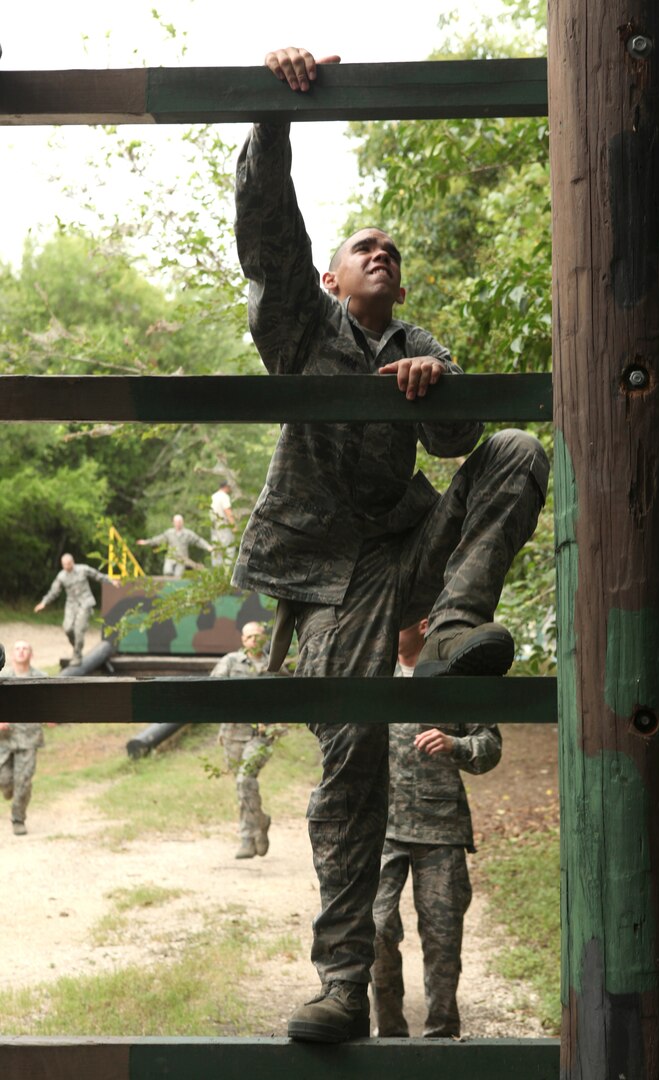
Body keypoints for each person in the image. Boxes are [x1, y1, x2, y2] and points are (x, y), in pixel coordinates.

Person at [230, 46, 549, 1042]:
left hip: (407, 554)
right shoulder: (302, 325)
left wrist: (434, 386)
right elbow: (267, 233)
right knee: (350, 767)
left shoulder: (416, 346)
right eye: (365, 246)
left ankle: (458, 620)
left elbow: (463, 447)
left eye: (393, 251)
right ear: (332, 274)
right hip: (327, 584)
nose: (383, 254)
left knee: (515, 446)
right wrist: (274, 110)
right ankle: (340, 982)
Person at [370, 622, 502, 1038]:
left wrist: (455, 744)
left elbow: (490, 746)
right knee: (375, 930)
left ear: (424, 625)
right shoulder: (373, 675)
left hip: (440, 829)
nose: (387, 621)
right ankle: (390, 1035)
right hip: (382, 827)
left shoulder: (453, 676)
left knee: (443, 939)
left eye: (400, 617)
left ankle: (442, 1035)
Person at [212, 621, 284, 859]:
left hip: (261, 736)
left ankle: (246, 837)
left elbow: (291, 698)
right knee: (243, 787)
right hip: (233, 734)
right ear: (243, 640)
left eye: (258, 636)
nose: (254, 640)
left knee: (245, 780)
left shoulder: (274, 665)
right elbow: (213, 689)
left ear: (265, 639)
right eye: (250, 636)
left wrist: (275, 724)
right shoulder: (230, 662)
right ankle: (260, 823)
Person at [0, 641, 53, 835]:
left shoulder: (40, 678)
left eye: (25, 649)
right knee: (5, 781)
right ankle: (9, 790)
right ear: (11, 655)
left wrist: (51, 717)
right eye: (17, 649)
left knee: (23, 781)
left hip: (29, 737)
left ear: (32, 654)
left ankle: (18, 819)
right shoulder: (2, 678)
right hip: (4, 738)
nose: (21, 652)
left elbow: (50, 704)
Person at [34, 553, 118, 666]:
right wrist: (44, 603)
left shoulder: (83, 569)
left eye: (68, 564)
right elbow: (54, 591)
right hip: (71, 604)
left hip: (85, 602)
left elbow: (98, 576)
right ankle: (77, 646)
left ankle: (77, 655)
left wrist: (111, 581)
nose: (66, 566)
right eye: (64, 564)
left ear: (72, 562)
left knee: (79, 630)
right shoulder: (61, 576)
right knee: (68, 628)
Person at [137, 514, 212, 577]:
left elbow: (198, 540)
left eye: (179, 522)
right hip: (171, 558)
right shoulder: (169, 533)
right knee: (167, 572)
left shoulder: (187, 534)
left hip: (182, 560)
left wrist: (207, 546)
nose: (178, 523)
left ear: (182, 522)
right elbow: (158, 539)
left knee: (177, 576)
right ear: (173, 523)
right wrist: (146, 542)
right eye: (176, 522)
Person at [210, 481, 237, 568]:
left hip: (214, 526)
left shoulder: (213, 496)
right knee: (229, 549)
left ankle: (217, 572)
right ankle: (227, 572)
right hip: (224, 527)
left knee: (217, 550)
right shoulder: (225, 496)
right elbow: (227, 511)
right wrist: (233, 526)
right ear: (226, 487)